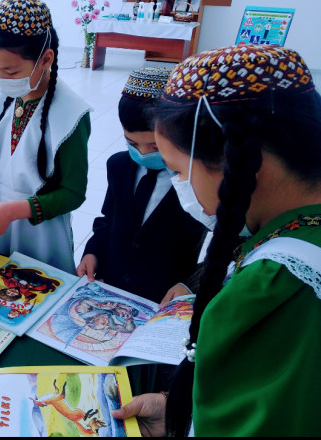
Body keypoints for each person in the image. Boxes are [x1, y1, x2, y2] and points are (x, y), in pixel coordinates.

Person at [111, 44, 321, 436]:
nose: (179, 186)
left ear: (241, 162)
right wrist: (180, 414)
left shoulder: (275, 287)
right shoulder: (296, 233)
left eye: (177, 170)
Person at [0, 0, 92, 273]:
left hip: (43, 231)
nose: (0, 79)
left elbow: (73, 194)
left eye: (10, 71)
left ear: (46, 59)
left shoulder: (71, 114)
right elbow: (1, 163)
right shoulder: (1, 96)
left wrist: (15, 210)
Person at [76, 67, 207, 303]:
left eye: (155, 147)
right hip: (112, 283)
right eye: (132, 143)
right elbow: (109, 218)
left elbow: (223, 245)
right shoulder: (118, 165)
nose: (143, 153)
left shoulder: (197, 182)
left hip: (164, 294)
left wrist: (190, 284)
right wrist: (93, 250)